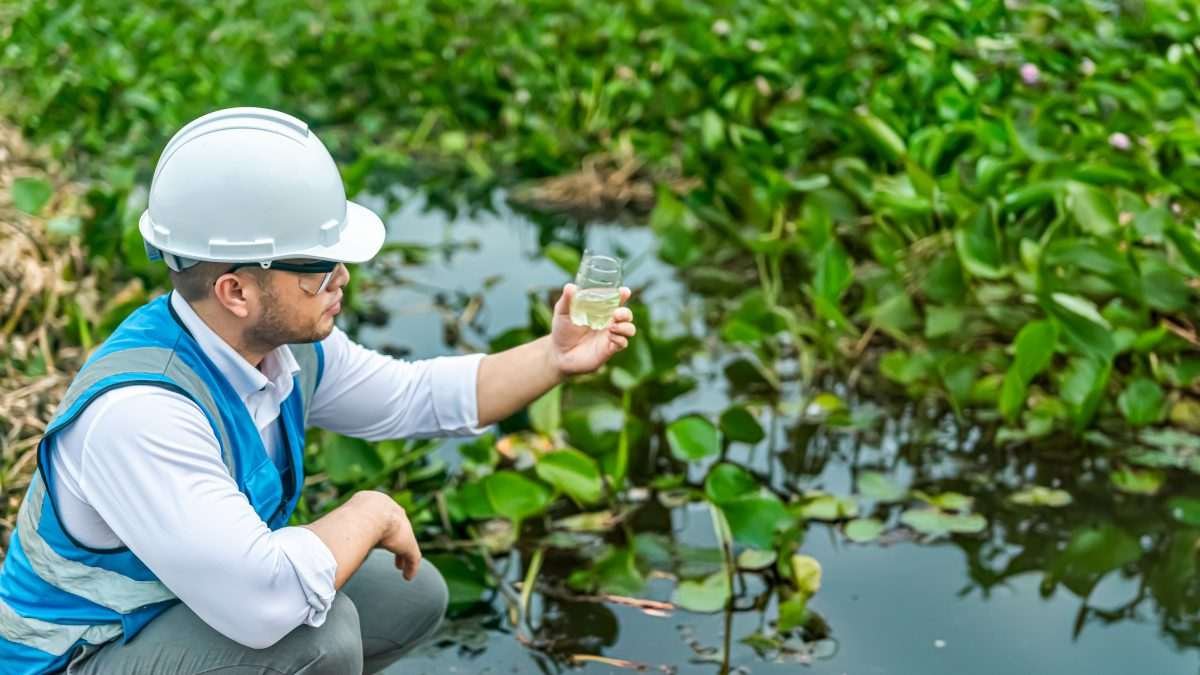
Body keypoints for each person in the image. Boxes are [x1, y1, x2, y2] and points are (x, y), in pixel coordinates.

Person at [0, 107, 637, 674]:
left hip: (182, 604)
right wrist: (369, 511)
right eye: (318, 269)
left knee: (407, 595)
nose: (342, 280)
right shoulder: (141, 414)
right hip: (82, 654)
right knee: (314, 639)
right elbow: (262, 604)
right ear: (236, 290)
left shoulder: (283, 347)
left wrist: (554, 357)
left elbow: (413, 396)